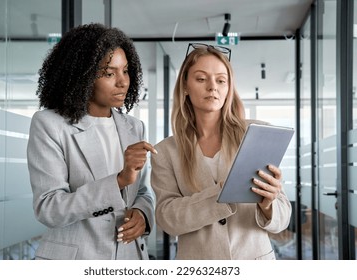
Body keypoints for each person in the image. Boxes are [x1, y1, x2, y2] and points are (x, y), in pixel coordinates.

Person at [27, 23, 157, 260]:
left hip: (129, 258)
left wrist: (142, 213)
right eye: (109, 73)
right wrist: (118, 181)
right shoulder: (49, 125)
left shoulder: (134, 127)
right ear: (81, 77)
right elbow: (49, 208)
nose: (122, 82)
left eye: (125, 70)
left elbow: (144, 192)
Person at [150, 43, 291, 260]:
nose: (212, 87)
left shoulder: (256, 134)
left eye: (221, 80)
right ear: (185, 86)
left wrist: (269, 204)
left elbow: (282, 219)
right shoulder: (165, 151)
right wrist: (221, 195)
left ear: (228, 89)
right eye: (201, 78)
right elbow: (167, 219)